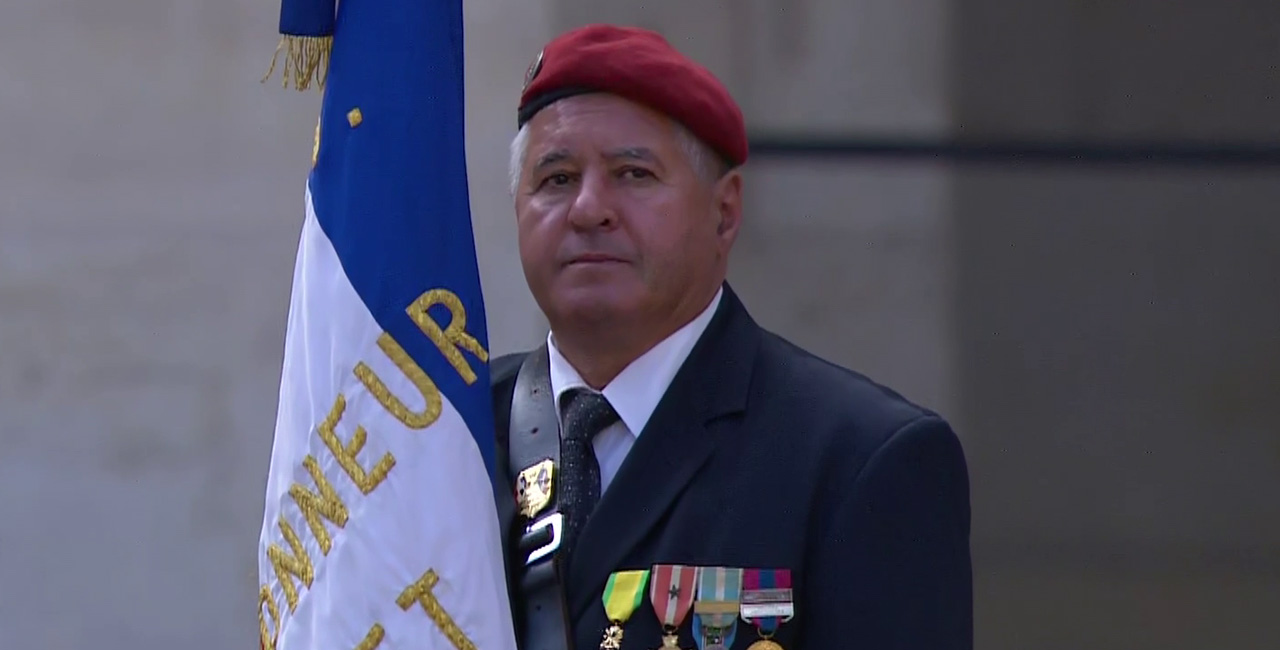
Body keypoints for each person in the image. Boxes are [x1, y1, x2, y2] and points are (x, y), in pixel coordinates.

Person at [489, 23, 972, 650]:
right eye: (556, 179)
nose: (589, 208)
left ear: (724, 213)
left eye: (633, 174)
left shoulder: (858, 460)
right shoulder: (451, 431)